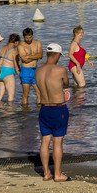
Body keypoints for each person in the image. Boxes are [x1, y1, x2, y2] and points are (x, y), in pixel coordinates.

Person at [35, 43, 70, 181]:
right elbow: (66, 84)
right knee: (57, 142)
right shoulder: (60, 70)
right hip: (58, 108)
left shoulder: (38, 70)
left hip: (44, 108)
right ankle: (57, 174)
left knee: (45, 141)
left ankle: (46, 173)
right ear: (57, 55)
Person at [16, 28, 43, 108]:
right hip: (26, 70)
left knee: (39, 92)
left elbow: (40, 55)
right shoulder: (21, 46)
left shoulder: (37, 43)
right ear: (24, 37)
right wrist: (35, 56)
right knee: (25, 94)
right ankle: (25, 112)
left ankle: (38, 110)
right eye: (27, 38)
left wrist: (28, 56)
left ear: (32, 35)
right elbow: (24, 60)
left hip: (35, 69)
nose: (28, 39)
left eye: (30, 37)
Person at [0, 33, 21, 104]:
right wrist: (20, 76)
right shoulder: (14, 52)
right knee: (11, 97)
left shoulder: (2, 48)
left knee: (0, 95)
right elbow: (16, 67)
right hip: (8, 73)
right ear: (16, 42)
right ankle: (10, 114)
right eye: (18, 43)